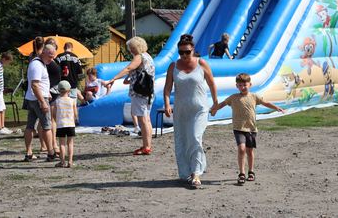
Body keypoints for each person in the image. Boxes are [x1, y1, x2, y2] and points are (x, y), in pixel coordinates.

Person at [164, 34, 218, 188]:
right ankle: (186, 173)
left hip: (199, 108)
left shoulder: (201, 63)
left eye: (187, 52)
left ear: (193, 50)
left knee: (195, 137)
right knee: (182, 140)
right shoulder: (173, 66)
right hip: (181, 109)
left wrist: (215, 102)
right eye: (181, 52)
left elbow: (212, 83)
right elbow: (168, 88)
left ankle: (196, 173)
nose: (184, 55)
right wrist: (167, 103)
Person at [215, 73, 285, 185]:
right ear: (237, 86)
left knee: (250, 151)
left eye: (245, 84)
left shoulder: (254, 96)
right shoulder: (233, 97)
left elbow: (265, 102)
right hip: (238, 128)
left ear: (250, 84)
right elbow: (223, 104)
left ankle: (251, 171)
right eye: (240, 85)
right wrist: (213, 110)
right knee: (241, 149)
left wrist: (276, 107)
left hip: (251, 129)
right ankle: (241, 173)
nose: (243, 87)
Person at [108, 36, 155, 155]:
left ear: (135, 47)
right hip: (148, 92)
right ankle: (147, 145)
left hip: (140, 93)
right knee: (147, 119)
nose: (130, 51)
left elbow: (129, 68)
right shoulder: (148, 57)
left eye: (131, 48)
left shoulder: (139, 57)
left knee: (142, 119)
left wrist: (114, 78)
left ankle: (146, 146)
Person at [23, 44, 57, 162]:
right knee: (47, 126)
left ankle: (29, 153)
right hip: (38, 99)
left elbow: (40, 84)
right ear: (43, 52)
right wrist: (43, 102)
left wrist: (47, 92)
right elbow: (35, 85)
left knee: (30, 126)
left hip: (32, 99)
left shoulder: (39, 63)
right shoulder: (37, 64)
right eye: (50, 56)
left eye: (53, 57)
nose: (52, 59)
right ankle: (51, 153)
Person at [53, 80, 78, 168]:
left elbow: (54, 113)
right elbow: (75, 113)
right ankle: (70, 161)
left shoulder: (57, 101)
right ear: (69, 90)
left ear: (59, 90)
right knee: (70, 143)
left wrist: (56, 120)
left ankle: (62, 161)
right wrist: (74, 119)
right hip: (70, 124)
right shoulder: (72, 101)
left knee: (62, 144)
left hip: (61, 125)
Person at [44, 38, 61, 155]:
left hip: (54, 91)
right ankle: (50, 145)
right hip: (49, 92)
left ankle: (51, 144)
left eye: (55, 46)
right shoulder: (46, 61)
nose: (54, 47)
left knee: (52, 120)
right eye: (51, 45)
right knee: (48, 120)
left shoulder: (53, 60)